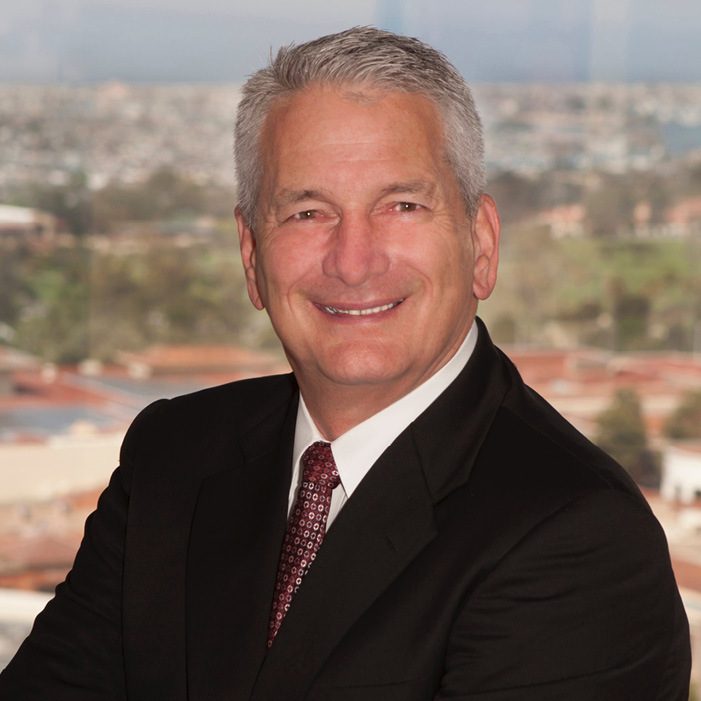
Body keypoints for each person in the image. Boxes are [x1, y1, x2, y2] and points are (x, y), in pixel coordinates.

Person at [0, 26, 690, 701]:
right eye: (306, 213)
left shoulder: (575, 536)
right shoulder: (173, 456)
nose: (353, 260)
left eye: (401, 205)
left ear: (479, 244)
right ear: (250, 256)